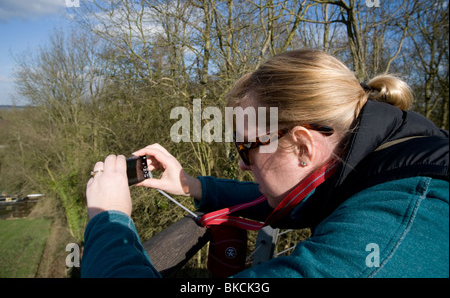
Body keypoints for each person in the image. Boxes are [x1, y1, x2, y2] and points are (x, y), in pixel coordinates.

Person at [81, 49, 449, 278]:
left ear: (303, 146)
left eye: (247, 147)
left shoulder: (373, 253)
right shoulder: (392, 169)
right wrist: (193, 185)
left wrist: (108, 219)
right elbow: (293, 196)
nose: (242, 164)